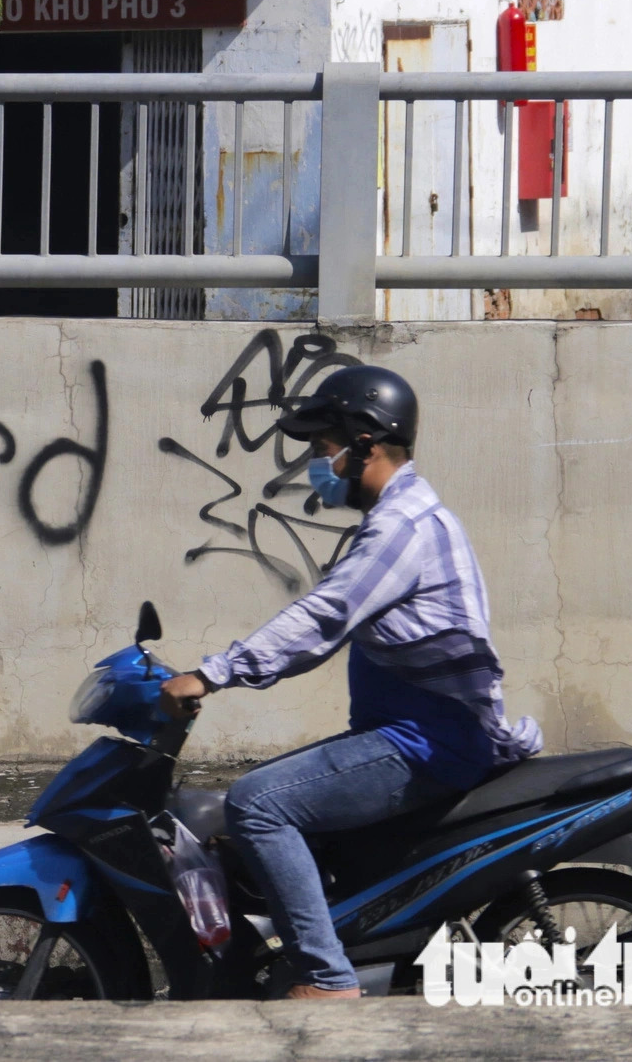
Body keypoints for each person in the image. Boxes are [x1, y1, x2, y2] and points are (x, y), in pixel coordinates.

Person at [157, 365, 542, 1001]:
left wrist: (211, 674)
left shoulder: (402, 529)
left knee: (257, 803)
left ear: (363, 444)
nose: (317, 465)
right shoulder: (407, 517)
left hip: (427, 742)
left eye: (322, 449)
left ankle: (326, 978)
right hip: (413, 734)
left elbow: (324, 616)